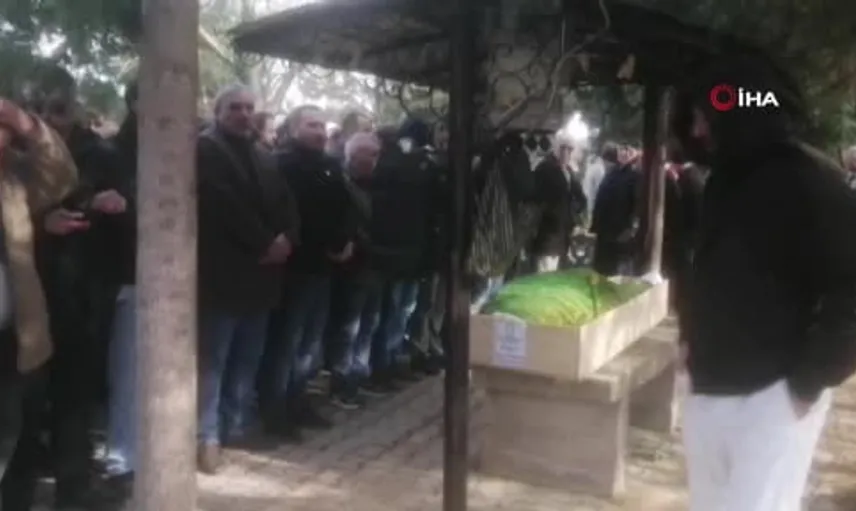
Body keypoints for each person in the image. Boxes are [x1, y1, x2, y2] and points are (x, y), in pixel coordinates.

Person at [675, 54, 856, 511]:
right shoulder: (723, 182)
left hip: (772, 398)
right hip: (709, 386)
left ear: (738, 110)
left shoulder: (813, 183)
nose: (696, 130)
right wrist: (691, 341)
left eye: (705, 115)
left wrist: (808, 382)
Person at [195, 84, 298, 473]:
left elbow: (287, 203)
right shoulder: (206, 149)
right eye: (234, 107)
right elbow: (221, 203)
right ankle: (206, 436)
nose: (243, 114)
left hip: (262, 277)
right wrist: (265, 242)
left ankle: (234, 425)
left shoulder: (263, 155)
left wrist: (288, 238)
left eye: (249, 107)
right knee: (213, 362)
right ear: (218, 110)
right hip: (224, 274)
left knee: (246, 358)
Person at [0, 98, 92, 510]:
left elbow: (61, 177)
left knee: (16, 437)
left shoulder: (12, 179)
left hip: (15, 336)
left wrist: (30, 127)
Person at [265, 104, 356, 438]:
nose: (318, 131)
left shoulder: (330, 165)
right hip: (295, 267)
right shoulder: (282, 165)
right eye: (310, 125)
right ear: (293, 129)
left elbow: (345, 208)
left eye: (321, 126)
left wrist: (345, 240)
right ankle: (275, 409)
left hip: (324, 267)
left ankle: (298, 400)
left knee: (309, 343)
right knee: (286, 342)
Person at [326, 132, 383, 408]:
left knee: (368, 324)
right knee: (348, 328)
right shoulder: (342, 183)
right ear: (352, 155)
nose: (373, 160)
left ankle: (358, 376)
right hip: (353, 265)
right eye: (367, 155)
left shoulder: (375, 185)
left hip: (373, 264)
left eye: (375, 155)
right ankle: (341, 381)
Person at [529, 132, 587, 273]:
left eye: (569, 149)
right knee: (545, 273)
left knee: (554, 274)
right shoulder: (545, 168)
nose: (566, 152)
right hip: (547, 232)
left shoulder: (568, 171)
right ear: (556, 148)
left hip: (562, 233)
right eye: (563, 148)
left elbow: (581, 198)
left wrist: (574, 213)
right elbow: (535, 199)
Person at [590, 141, 640, 276]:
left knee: (616, 274)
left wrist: (631, 228)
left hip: (620, 234)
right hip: (604, 234)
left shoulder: (635, 176)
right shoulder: (611, 174)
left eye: (628, 149)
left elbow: (637, 205)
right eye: (622, 148)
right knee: (601, 273)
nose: (624, 152)